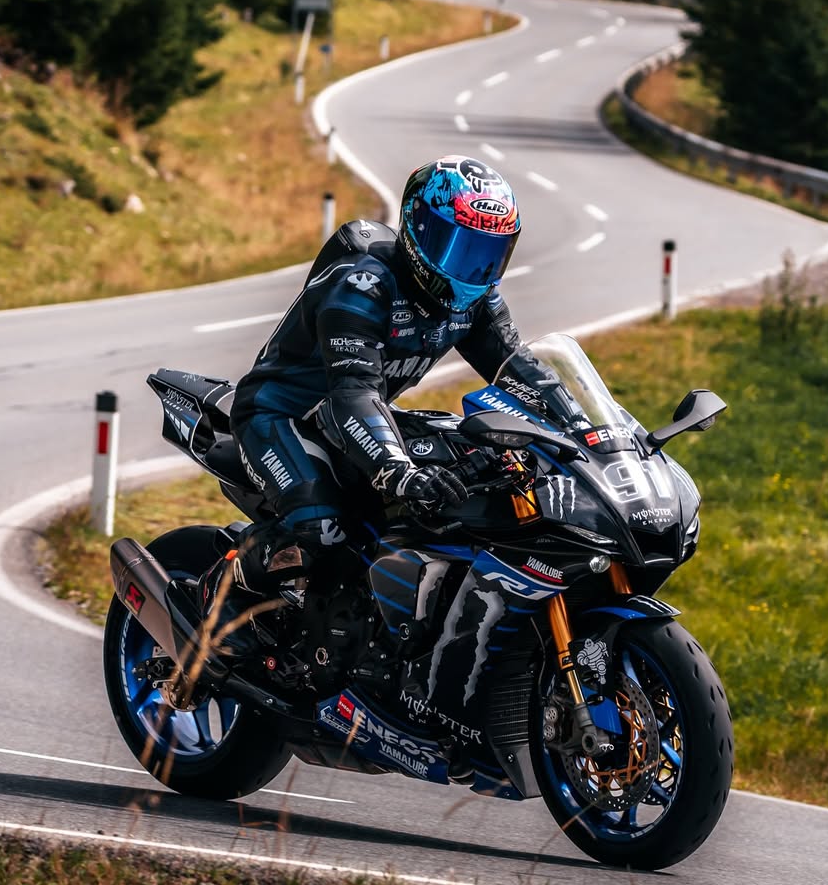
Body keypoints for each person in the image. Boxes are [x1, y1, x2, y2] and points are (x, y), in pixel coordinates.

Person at [192, 154, 556, 726]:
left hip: (357, 414)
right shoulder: (362, 285)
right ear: (417, 231)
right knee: (325, 529)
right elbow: (354, 393)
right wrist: (397, 469)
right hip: (282, 415)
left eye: (488, 253)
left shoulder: (477, 299)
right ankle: (226, 588)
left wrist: (602, 430)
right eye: (459, 247)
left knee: (466, 485)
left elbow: (521, 370)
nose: (473, 268)